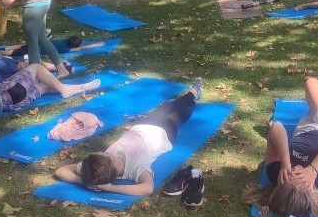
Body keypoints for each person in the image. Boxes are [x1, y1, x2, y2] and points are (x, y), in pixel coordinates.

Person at [54, 78, 205, 204]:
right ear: (113, 163)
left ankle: (190, 95)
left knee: (167, 106)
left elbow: (61, 171)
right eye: (105, 154)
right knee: (180, 112)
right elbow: (147, 188)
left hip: (142, 126)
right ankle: (193, 95)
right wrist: (111, 188)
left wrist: (86, 182)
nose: (102, 151)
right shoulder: (135, 167)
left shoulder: (95, 167)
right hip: (164, 133)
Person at [243, 77, 318, 217]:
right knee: (311, 82)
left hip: (303, 129)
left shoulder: (278, 175)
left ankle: (313, 112)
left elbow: (276, 127)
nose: (294, 170)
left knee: (309, 84)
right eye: (298, 178)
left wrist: (285, 162)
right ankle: (315, 111)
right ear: (309, 190)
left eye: (289, 178)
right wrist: (313, 170)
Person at [0, 35, 105, 60]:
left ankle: (4, 49)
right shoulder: (66, 49)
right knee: (14, 52)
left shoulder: (63, 41)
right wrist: (96, 45)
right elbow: (81, 48)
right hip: (35, 50)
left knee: (20, 47)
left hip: (37, 43)